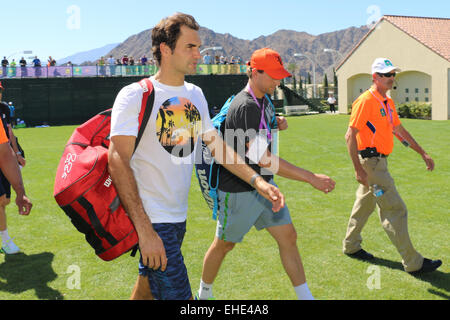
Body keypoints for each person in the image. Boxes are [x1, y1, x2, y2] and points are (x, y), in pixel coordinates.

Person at [108, 13, 284, 301]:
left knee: (147, 290)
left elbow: (218, 148)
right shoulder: (134, 95)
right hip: (153, 221)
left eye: (198, 47)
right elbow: (117, 161)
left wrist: (257, 181)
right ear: (165, 49)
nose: (198, 54)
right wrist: (145, 230)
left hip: (177, 218)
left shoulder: (196, 94)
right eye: (190, 47)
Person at [196, 48, 336, 300]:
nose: (277, 81)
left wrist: (277, 121)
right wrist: (310, 177)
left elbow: (262, 125)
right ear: (254, 72)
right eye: (272, 76)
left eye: (279, 76)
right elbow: (263, 157)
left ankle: (306, 298)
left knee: (288, 237)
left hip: (266, 186)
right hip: (239, 190)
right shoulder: (245, 105)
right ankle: (203, 295)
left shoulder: (264, 99)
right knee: (224, 244)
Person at [343, 58, 442, 274]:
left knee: (364, 204)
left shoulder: (386, 102)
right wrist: (358, 169)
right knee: (394, 209)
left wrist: (422, 153)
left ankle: (351, 245)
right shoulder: (366, 101)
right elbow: (350, 135)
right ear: (375, 78)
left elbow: (399, 129)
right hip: (372, 165)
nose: (391, 78)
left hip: (377, 163)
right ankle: (413, 262)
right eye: (386, 74)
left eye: (392, 74)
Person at [0, 81, 32, 254]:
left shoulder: (2, 110)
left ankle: (4, 241)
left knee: (3, 200)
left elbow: (5, 149)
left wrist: (21, 192)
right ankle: (5, 241)